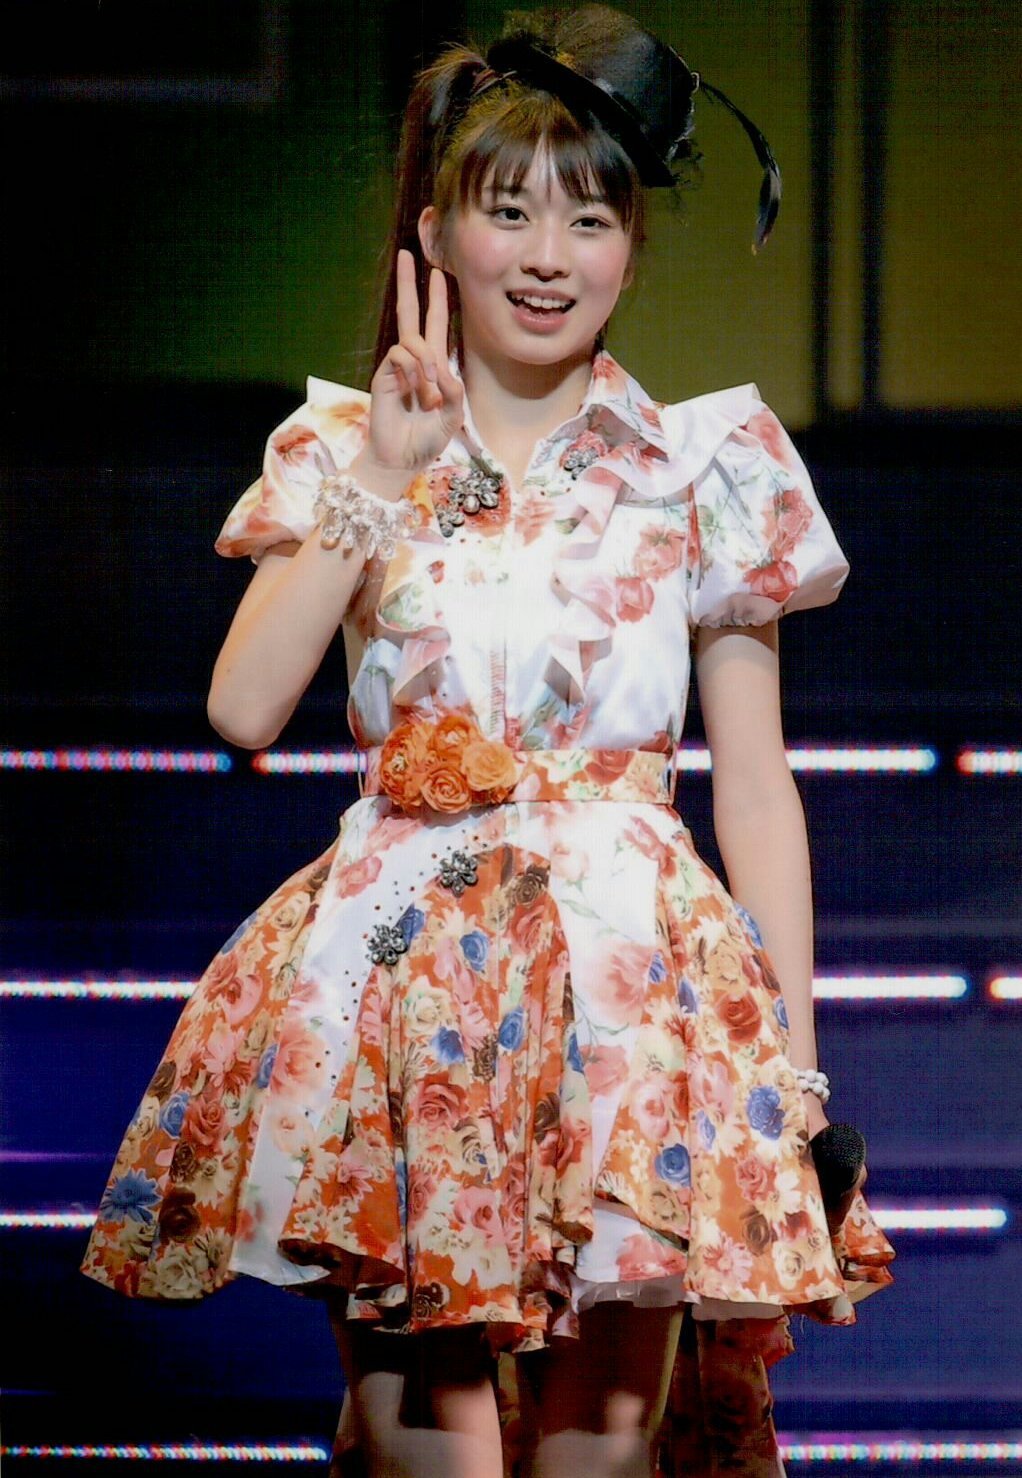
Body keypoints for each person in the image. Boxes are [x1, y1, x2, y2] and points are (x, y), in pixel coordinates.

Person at [81, 7, 895, 1475]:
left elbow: (756, 786)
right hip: (402, 983)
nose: (546, 254)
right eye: (507, 210)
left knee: (604, 1439)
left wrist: (796, 1070)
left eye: (589, 218)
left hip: (630, 987)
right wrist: (381, 478)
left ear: (630, 250)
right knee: (427, 1436)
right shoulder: (345, 448)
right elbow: (243, 706)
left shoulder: (702, 465)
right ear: (435, 233)